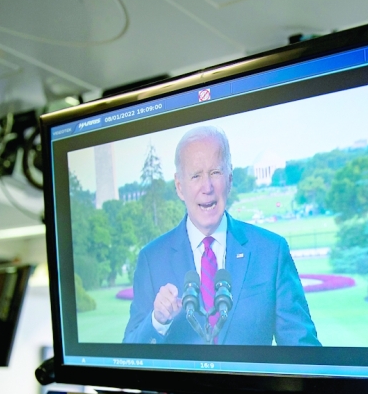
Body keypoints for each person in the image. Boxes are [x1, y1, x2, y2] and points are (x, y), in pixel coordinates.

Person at [123, 125, 320, 346]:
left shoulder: (271, 251)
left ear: (230, 179)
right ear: (179, 187)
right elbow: (130, 356)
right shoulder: (152, 259)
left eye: (215, 173)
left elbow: (303, 350)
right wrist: (158, 320)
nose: (207, 187)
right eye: (196, 176)